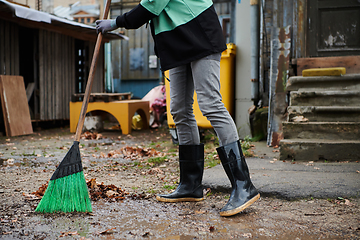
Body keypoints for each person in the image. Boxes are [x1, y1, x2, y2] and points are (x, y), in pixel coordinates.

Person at [96, 0, 260, 217]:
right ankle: (191, 184)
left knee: (210, 104)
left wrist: (116, 22)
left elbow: (151, 6)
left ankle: (243, 185)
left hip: (198, 32)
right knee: (180, 110)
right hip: (176, 41)